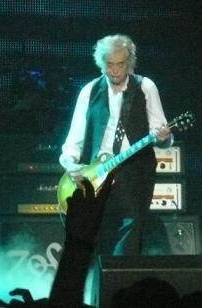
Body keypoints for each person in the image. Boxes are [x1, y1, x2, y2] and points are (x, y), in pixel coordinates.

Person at [59, 34, 172, 256]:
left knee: (129, 237)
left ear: (129, 62)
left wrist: (163, 136)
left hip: (134, 172)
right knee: (95, 240)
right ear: (101, 64)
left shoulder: (145, 87)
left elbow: (162, 137)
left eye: (120, 64)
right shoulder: (89, 91)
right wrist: (70, 165)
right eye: (109, 64)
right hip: (96, 173)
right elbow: (73, 142)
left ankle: (121, 286)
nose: (115, 70)